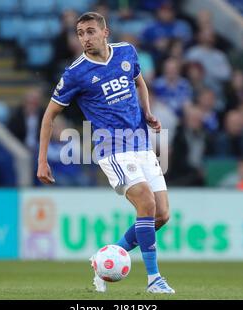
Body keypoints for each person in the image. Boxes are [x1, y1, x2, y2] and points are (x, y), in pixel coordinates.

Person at [37, 12, 175, 294]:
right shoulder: (75, 73)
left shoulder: (127, 52)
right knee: (146, 204)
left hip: (141, 143)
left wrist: (147, 111)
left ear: (105, 32)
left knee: (161, 215)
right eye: (80, 33)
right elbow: (49, 115)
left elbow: (139, 82)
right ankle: (154, 280)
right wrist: (41, 160)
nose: (85, 38)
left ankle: (102, 261)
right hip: (112, 149)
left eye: (90, 31)